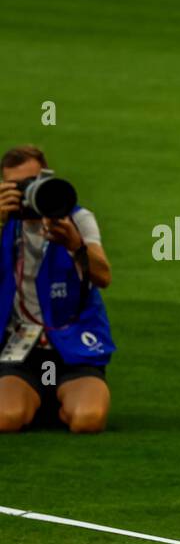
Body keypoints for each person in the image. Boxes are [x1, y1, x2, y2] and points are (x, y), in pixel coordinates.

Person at [0, 145, 114, 433]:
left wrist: (76, 245)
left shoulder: (77, 218)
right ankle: (34, 399)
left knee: (88, 421)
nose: (26, 193)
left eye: (32, 183)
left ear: (47, 178)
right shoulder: (4, 222)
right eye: (17, 186)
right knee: (5, 418)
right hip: (20, 351)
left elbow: (104, 276)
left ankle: (54, 400)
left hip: (73, 350)